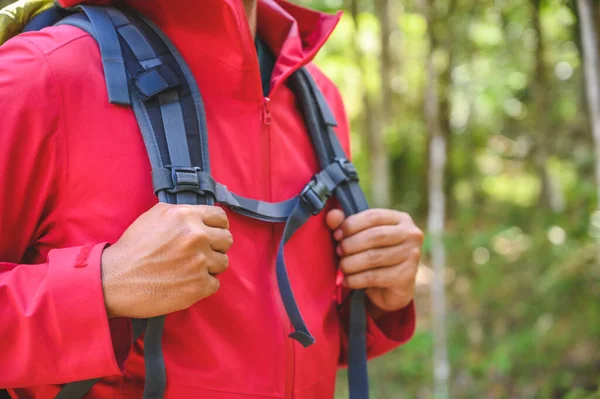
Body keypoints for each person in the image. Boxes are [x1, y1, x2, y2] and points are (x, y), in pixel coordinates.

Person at [0, 0, 423, 398]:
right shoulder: (41, 75)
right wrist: (101, 287)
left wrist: (376, 294)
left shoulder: (315, 94)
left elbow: (281, 348)